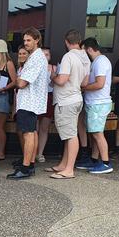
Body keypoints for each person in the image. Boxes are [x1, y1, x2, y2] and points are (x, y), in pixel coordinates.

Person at [48, 29, 91, 179]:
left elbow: (62, 80)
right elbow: (85, 82)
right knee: (69, 133)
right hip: (77, 97)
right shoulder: (85, 57)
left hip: (66, 100)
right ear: (79, 41)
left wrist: (53, 75)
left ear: (66, 42)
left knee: (71, 135)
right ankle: (64, 164)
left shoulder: (68, 57)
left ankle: (69, 169)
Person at [7, 28, 48, 180]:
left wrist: (15, 78)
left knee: (28, 134)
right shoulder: (36, 57)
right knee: (33, 132)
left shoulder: (36, 58)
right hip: (31, 101)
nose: (25, 43)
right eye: (24, 40)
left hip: (29, 101)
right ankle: (29, 164)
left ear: (37, 39)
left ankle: (26, 168)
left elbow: (22, 83)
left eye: (29, 40)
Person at [79, 37, 113, 174]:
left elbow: (100, 84)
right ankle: (94, 160)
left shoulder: (100, 62)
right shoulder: (97, 61)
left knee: (98, 134)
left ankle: (105, 163)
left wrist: (83, 88)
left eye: (83, 51)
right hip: (94, 102)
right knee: (95, 133)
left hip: (98, 103)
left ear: (89, 49)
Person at [0, 39, 18, 160]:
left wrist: (4, 88)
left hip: (3, 96)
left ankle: (1, 152)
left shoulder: (9, 64)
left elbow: (15, 81)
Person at [37, 47, 55, 163]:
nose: (45, 57)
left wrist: (54, 77)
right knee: (34, 127)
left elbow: (57, 85)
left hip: (48, 97)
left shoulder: (54, 68)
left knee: (44, 128)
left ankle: (40, 153)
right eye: (42, 54)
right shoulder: (35, 68)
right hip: (37, 98)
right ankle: (32, 152)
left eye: (47, 54)